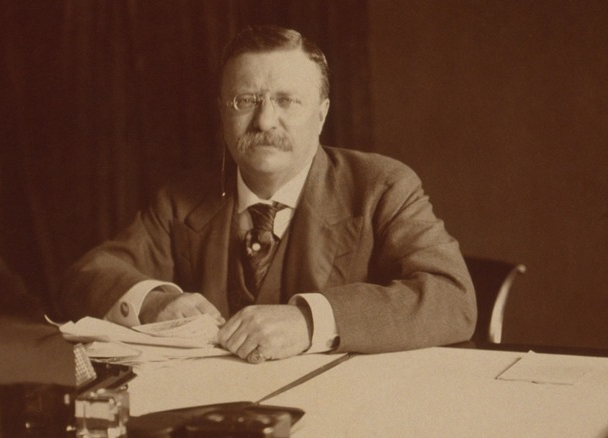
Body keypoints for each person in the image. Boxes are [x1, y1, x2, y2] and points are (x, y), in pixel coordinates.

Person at [59, 25, 476, 363]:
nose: (264, 120)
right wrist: (153, 304)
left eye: (287, 100)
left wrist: (310, 322)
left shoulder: (381, 186)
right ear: (223, 111)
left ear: (322, 113)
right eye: (246, 101)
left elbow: (451, 298)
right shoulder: (182, 198)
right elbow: (89, 275)